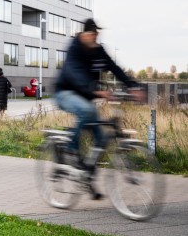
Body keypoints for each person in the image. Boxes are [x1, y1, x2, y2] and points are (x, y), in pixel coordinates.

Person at [54, 18, 144, 171]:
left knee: (102, 139)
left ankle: (87, 176)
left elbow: (115, 68)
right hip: (65, 93)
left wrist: (133, 86)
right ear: (84, 34)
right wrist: (95, 90)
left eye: (97, 35)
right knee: (87, 111)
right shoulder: (75, 48)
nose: (95, 38)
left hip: (85, 97)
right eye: (93, 35)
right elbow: (75, 73)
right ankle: (70, 149)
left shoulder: (98, 51)